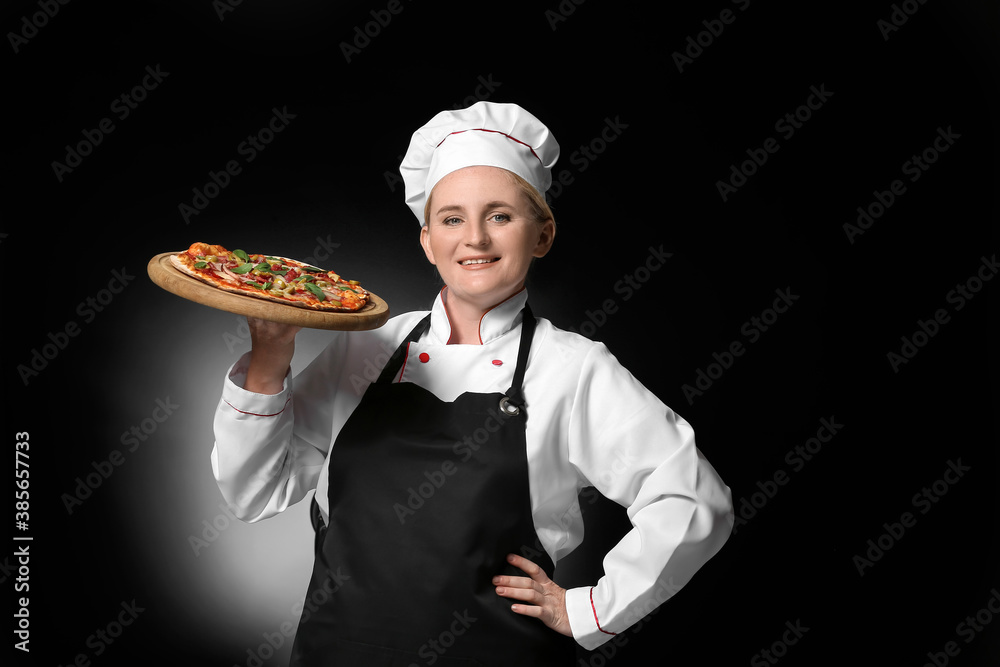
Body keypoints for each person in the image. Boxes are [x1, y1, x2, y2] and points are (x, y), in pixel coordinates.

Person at [211, 101, 733, 666]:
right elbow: (254, 494)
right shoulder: (366, 346)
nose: (476, 239)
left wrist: (591, 610)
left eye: (501, 216)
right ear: (428, 241)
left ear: (543, 234)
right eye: (453, 219)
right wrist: (269, 359)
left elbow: (694, 499)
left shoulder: (573, 369)